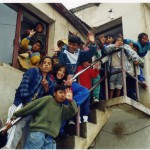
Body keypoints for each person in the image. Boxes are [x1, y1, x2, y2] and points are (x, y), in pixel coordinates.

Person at [5, 56, 55, 149]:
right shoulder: (33, 72)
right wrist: (27, 102)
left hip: (34, 111)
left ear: (51, 67)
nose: (46, 65)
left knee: (27, 133)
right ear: (40, 65)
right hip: (21, 104)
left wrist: (47, 89)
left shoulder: (51, 82)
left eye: (49, 63)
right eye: (44, 63)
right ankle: (8, 148)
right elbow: (24, 86)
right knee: (15, 128)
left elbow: (48, 99)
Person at [10, 84, 78, 149]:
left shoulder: (64, 108)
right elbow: (32, 106)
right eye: (60, 92)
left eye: (65, 94)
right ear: (54, 93)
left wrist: (71, 101)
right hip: (38, 134)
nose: (63, 95)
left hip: (50, 138)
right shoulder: (48, 99)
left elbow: (73, 112)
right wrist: (16, 114)